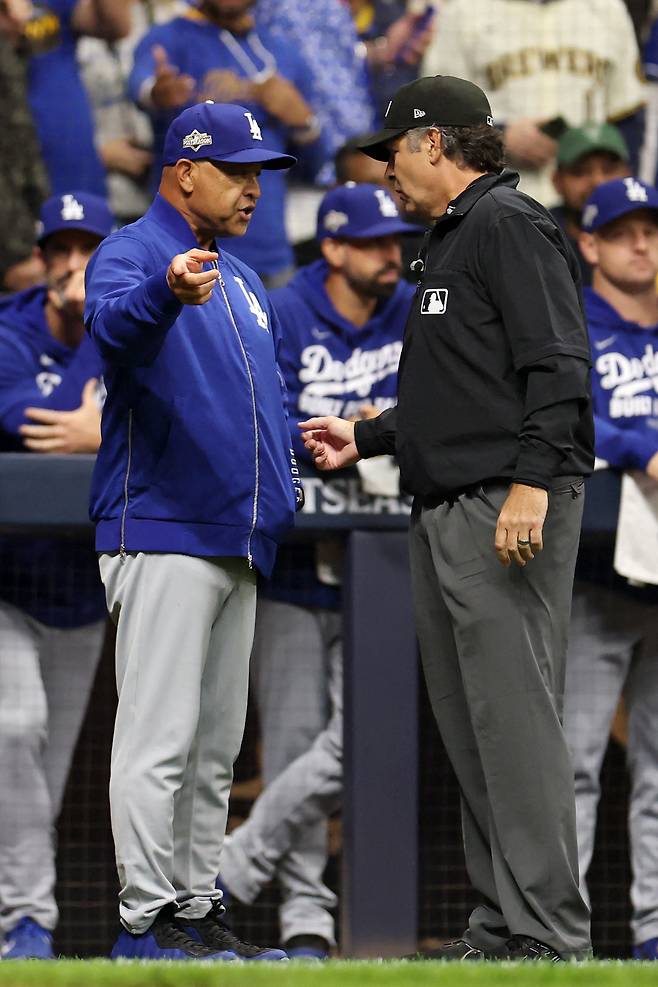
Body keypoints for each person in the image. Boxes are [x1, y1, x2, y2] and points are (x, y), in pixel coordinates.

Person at [300, 75, 595, 962]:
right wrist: (372, 435)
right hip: (451, 498)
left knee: (515, 725)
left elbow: (558, 367)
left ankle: (550, 935)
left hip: (505, 503)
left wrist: (532, 483)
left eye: (391, 153)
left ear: (434, 143)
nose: (385, 172)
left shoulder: (508, 225)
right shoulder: (452, 238)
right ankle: (503, 924)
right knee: (473, 731)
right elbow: (465, 390)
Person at [84, 100, 303, 961]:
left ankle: (195, 909)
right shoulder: (136, 252)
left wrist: (300, 449)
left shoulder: (243, 279)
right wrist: (162, 293)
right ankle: (146, 921)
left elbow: (251, 410)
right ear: (184, 171)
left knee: (214, 747)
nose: (254, 189)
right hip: (164, 524)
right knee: (160, 739)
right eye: (237, 172)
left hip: (236, 536)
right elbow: (110, 329)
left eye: (260, 174)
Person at [219, 182, 416, 959]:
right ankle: (305, 919)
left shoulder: (411, 310)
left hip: (390, 560)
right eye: (373, 244)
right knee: (298, 738)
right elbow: (264, 421)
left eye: (395, 241)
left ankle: (242, 860)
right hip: (301, 564)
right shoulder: (286, 309)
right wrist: (372, 433)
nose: (391, 256)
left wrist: (366, 434)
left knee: (358, 735)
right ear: (332, 248)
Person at [0, 191, 113, 959]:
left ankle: (24, 916)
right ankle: (26, 917)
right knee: (15, 728)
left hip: (83, 592)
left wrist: (99, 425)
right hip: (8, 583)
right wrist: (101, 417)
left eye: (88, 253)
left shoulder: (134, 323)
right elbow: (33, 425)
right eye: (59, 253)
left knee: (48, 766)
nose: (72, 268)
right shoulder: (9, 328)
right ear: (40, 262)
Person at [564, 176, 658, 961]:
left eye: (650, 231)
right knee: (575, 765)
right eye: (622, 231)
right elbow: (567, 419)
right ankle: (564, 933)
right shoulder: (573, 326)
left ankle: (655, 931)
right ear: (588, 243)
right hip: (594, 578)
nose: (642, 243)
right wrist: (640, 446)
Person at [128, 0, 329, 287]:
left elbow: (315, 165)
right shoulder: (170, 38)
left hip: (271, 255)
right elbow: (140, 86)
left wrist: (304, 122)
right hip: (186, 256)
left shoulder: (282, 52)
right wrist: (157, 94)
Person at [421, 0, 645, 207]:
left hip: (589, 210)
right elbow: (435, 117)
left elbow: (626, 119)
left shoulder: (607, 9)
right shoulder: (462, 11)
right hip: (495, 204)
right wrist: (499, 138)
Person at [551, 124, 631, 286]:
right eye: (580, 172)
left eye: (608, 170)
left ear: (628, 174)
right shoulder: (539, 238)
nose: (598, 182)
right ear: (557, 181)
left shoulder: (651, 233)